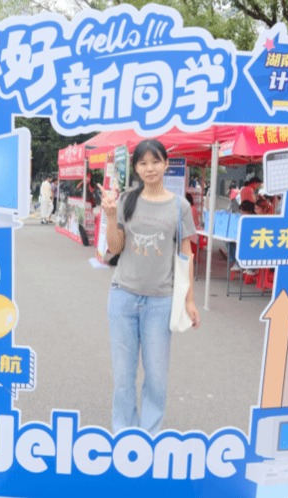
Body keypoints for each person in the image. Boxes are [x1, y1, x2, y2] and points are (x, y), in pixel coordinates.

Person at [99, 139, 201, 435]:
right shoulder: (126, 201)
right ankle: (124, 432)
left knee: (156, 376)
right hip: (123, 297)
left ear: (166, 164)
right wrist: (110, 215)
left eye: (155, 161)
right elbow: (115, 247)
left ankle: (150, 435)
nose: (150, 168)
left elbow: (186, 254)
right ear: (136, 168)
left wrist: (189, 300)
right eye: (143, 163)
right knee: (123, 376)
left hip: (160, 301)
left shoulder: (180, 206)